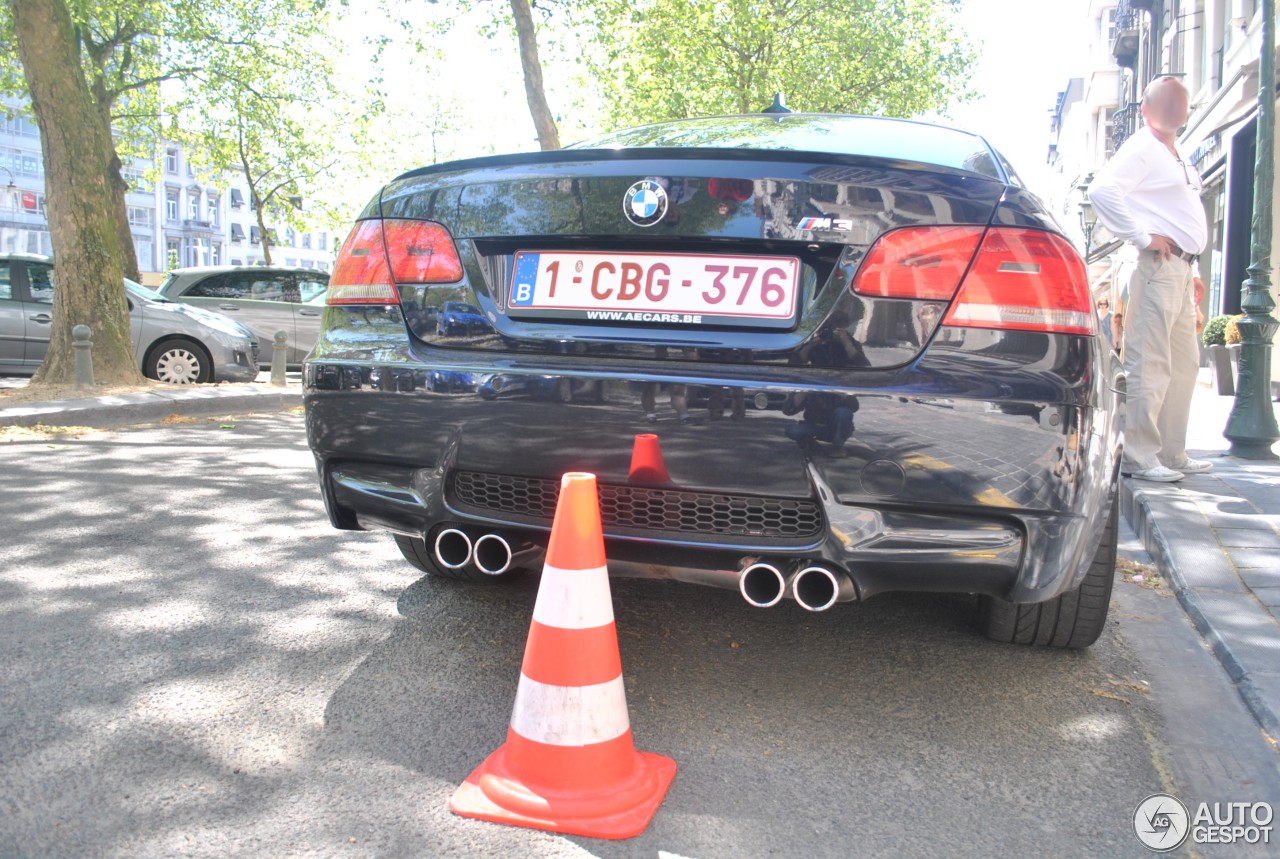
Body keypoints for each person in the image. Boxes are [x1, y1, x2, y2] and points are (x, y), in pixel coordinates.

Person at [1088, 76, 1211, 482]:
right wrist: (1142, 236)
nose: (1174, 108)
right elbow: (1102, 190)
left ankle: (1172, 452)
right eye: (1164, 101)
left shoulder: (1176, 152)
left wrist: (1190, 266)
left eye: (1180, 101)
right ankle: (1141, 456)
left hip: (1180, 268)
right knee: (1151, 362)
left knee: (1185, 364)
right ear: (1145, 108)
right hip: (1159, 267)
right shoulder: (1142, 145)